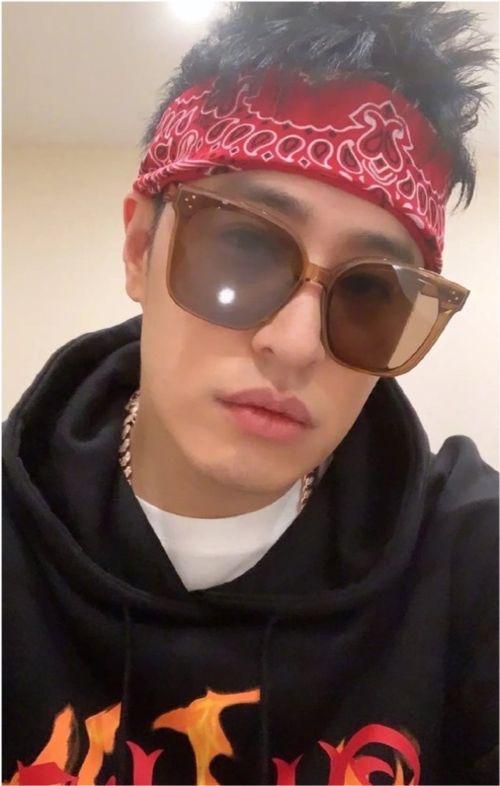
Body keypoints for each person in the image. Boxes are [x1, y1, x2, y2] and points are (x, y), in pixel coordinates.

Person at [3, 2, 498, 785]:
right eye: (241, 247)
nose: (295, 344)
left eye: (369, 292)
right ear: (139, 248)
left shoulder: (470, 561)